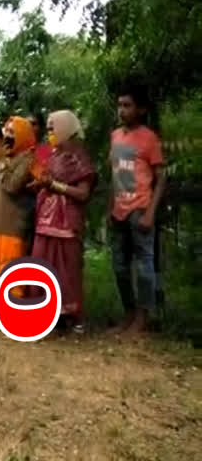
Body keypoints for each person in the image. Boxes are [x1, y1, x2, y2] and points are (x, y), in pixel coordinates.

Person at [29, 111, 96, 333]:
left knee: (68, 268)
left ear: (66, 128)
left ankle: (71, 316)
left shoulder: (79, 156)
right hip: (44, 217)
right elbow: (34, 174)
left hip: (67, 220)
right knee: (41, 262)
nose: (49, 132)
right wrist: (39, 183)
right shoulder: (44, 152)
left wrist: (54, 186)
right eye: (47, 128)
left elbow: (83, 194)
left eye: (52, 127)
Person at [109, 84, 165, 335]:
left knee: (144, 265)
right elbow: (115, 172)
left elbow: (161, 176)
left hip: (140, 208)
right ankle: (129, 313)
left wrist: (151, 212)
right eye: (120, 105)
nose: (122, 110)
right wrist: (112, 204)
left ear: (140, 109)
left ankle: (143, 318)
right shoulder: (115, 136)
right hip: (119, 208)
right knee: (119, 266)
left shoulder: (149, 138)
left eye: (127, 105)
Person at [0, 116, 37, 295]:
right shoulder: (6, 157)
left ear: (22, 135)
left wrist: (2, 161)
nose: (7, 136)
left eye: (12, 132)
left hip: (15, 229)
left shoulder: (28, 157)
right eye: (5, 131)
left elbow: (12, 186)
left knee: (13, 278)